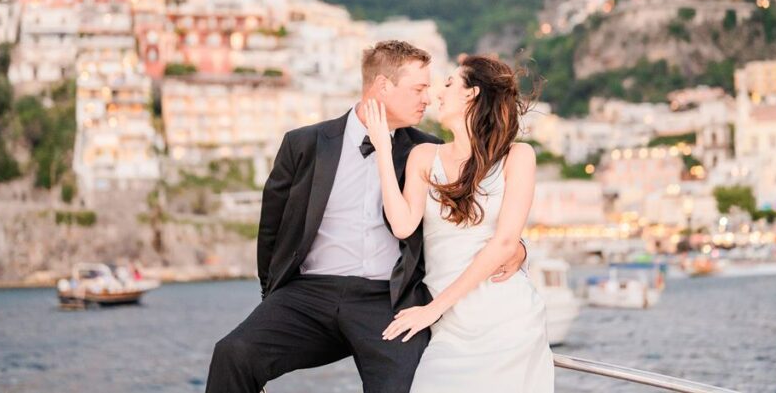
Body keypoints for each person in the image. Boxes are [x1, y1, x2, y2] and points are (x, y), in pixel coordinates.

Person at [205, 41, 527, 393]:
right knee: (232, 353)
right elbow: (272, 227)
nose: (427, 98)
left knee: (407, 384)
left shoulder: (427, 149)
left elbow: (465, 214)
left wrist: (517, 248)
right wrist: (272, 295)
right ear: (383, 86)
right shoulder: (305, 144)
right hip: (308, 294)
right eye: (418, 89)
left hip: (386, 299)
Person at [365, 54, 553, 392]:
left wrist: (431, 310)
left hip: (506, 322)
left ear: (472, 94)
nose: (438, 93)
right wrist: (382, 148)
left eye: (449, 83)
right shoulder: (424, 156)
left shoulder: (518, 157)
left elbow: (505, 244)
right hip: (450, 330)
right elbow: (403, 225)